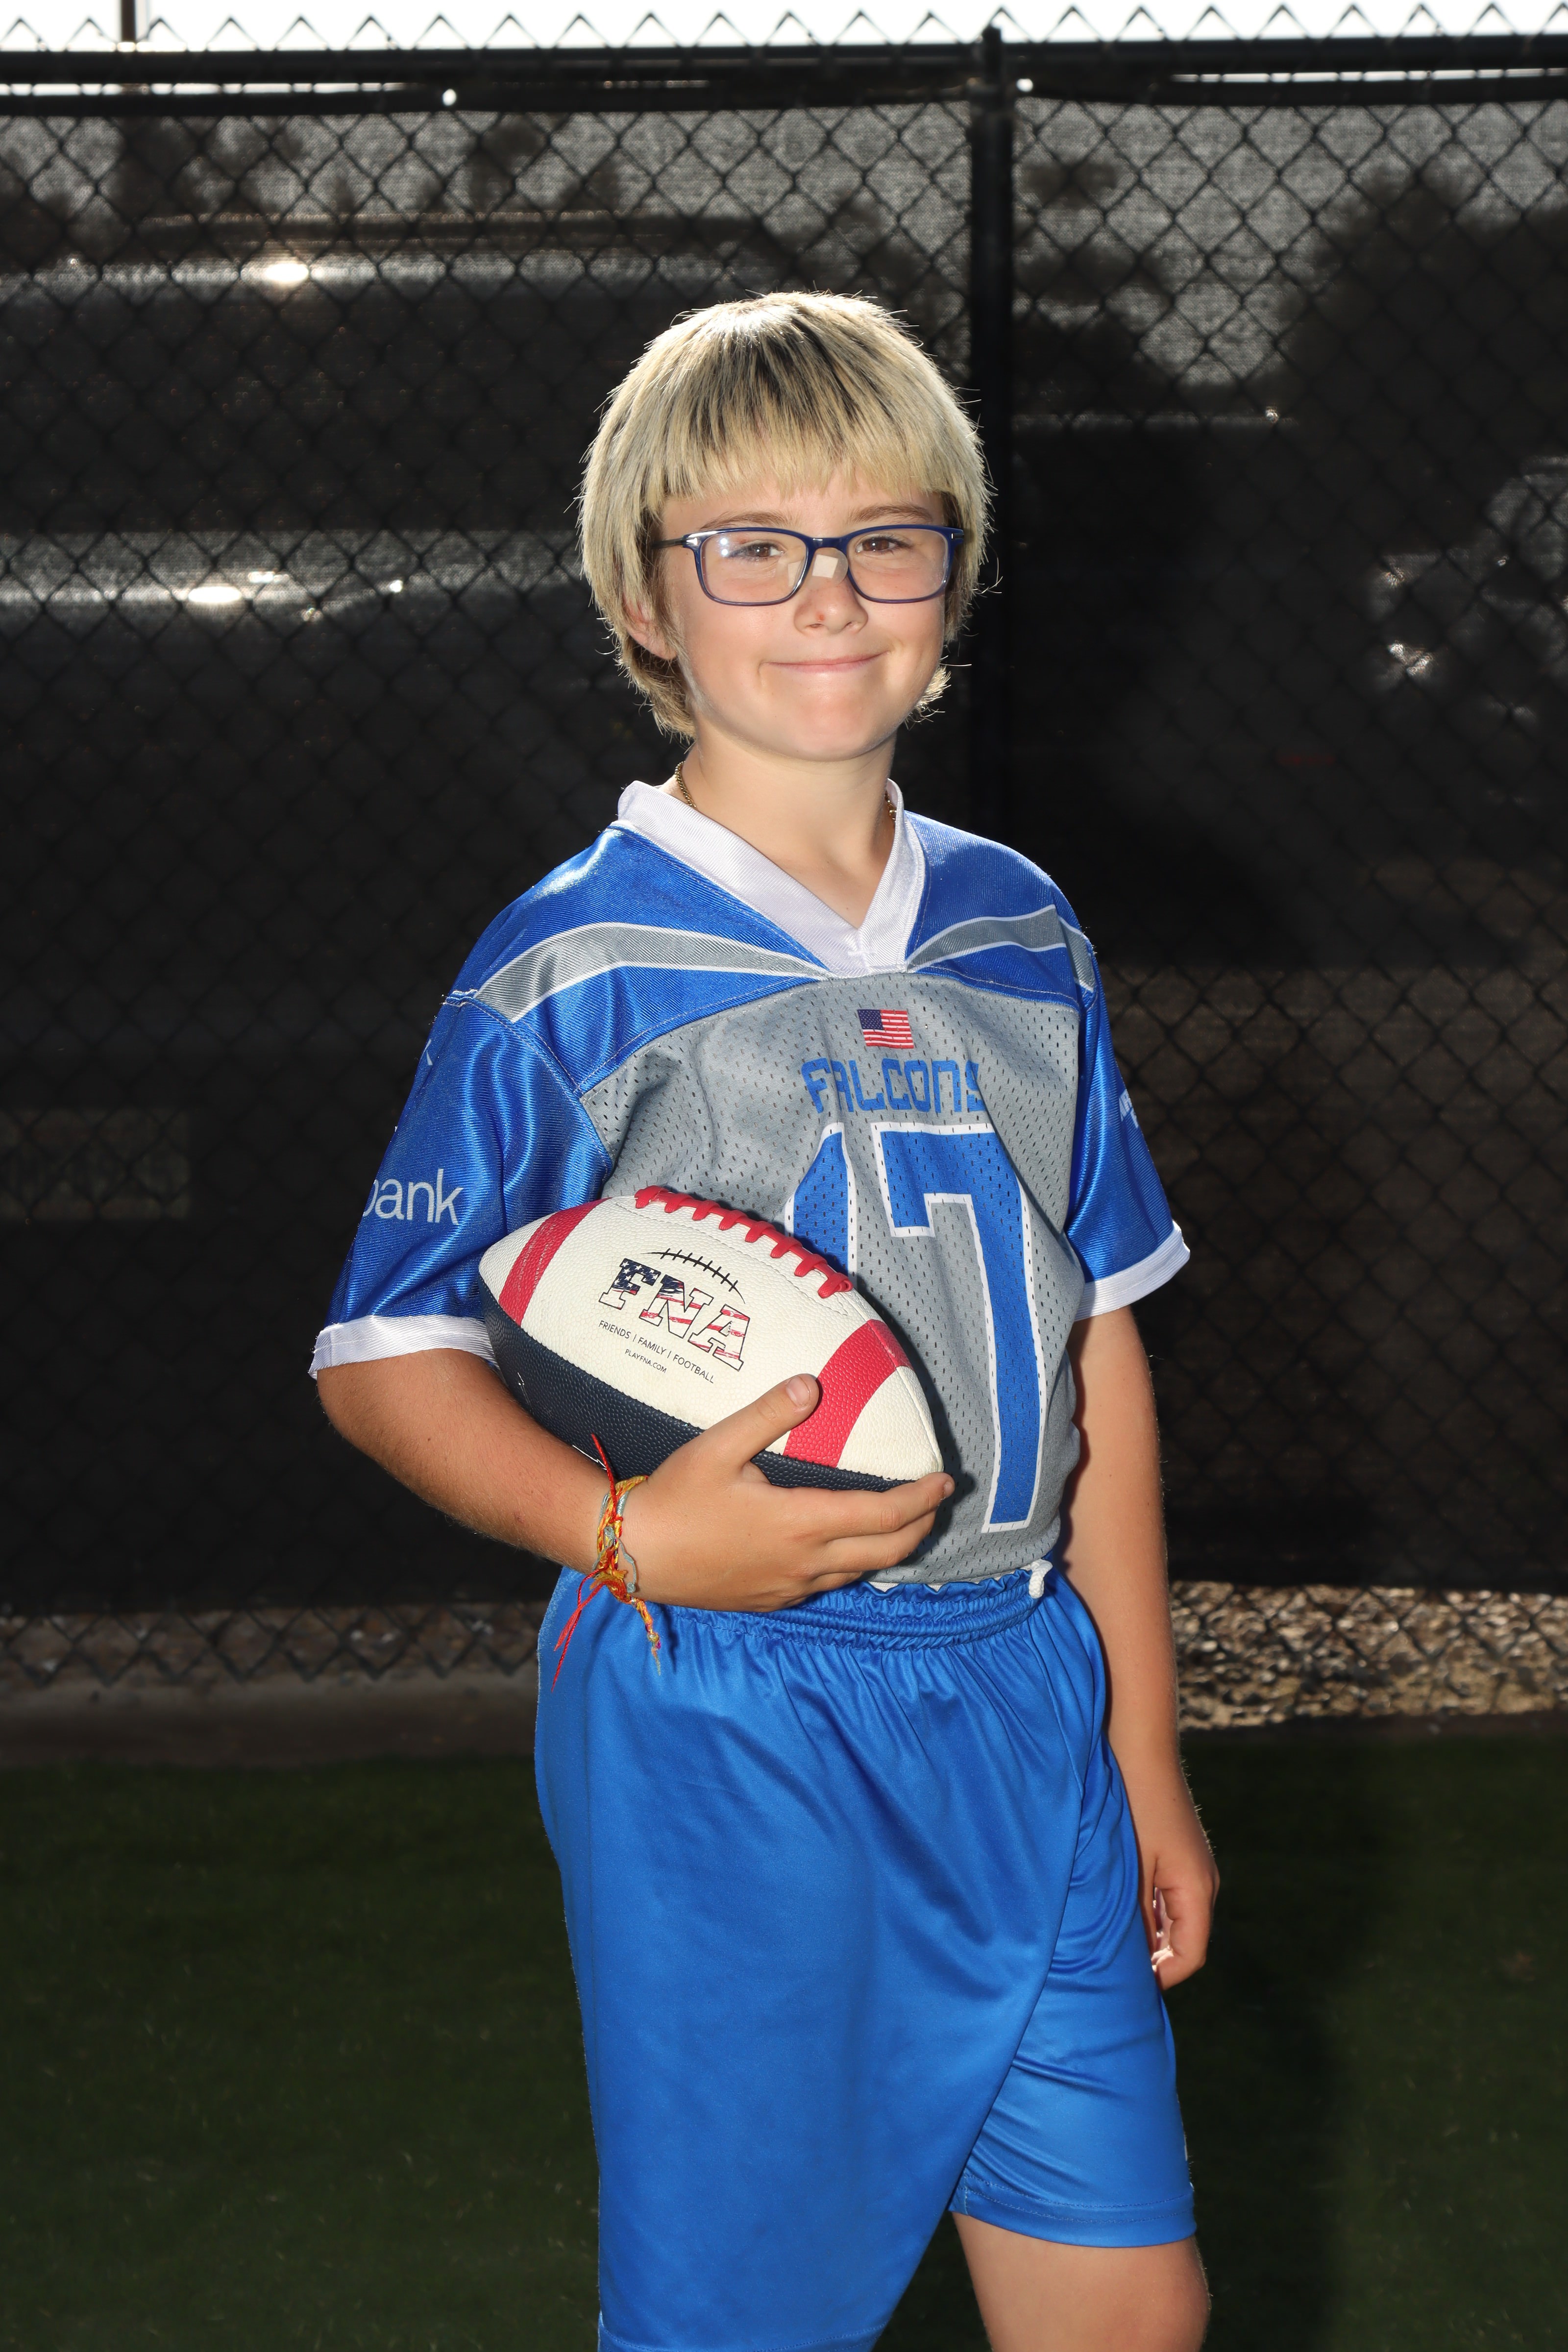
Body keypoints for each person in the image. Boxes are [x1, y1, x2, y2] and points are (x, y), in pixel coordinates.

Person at [313, 291, 1218, 2352]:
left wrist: (1145, 1749)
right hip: (733, 1699)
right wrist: (626, 1533)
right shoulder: (573, 965)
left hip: (1024, 1682)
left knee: (1129, 2308)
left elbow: (1094, 1341)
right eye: (750, 546)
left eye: (884, 539)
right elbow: (381, 1355)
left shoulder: (1021, 927)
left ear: (952, 581)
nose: (826, 593)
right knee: (746, 2321)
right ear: (646, 599)